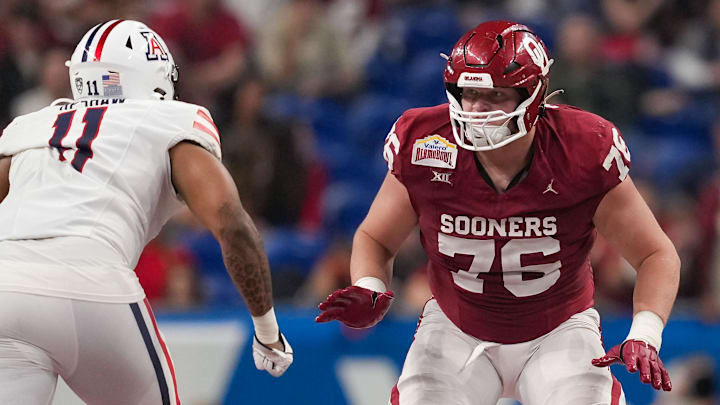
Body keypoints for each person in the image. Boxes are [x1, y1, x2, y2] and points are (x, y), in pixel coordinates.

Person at [316, 20, 679, 404]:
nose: (476, 109)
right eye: (468, 92)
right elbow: (375, 236)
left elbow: (655, 253)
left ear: (534, 96)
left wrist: (645, 333)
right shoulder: (425, 143)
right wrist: (370, 285)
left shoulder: (584, 149)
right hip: (456, 328)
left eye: (495, 96)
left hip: (558, 331)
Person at [0, 20, 292, 405]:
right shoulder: (169, 121)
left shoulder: (30, 126)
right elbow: (232, 224)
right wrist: (266, 327)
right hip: (92, 279)